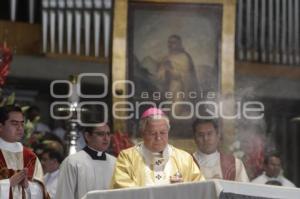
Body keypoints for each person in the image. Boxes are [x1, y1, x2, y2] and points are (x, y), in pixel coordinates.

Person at [111, 107, 205, 188]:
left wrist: (182, 187)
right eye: (152, 133)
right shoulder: (127, 158)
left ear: (168, 132)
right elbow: (122, 190)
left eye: (162, 133)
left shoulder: (184, 158)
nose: (158, 138)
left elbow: (200, 188)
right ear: (143, 134)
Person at [55, 123, 116, 199]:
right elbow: (64, 194)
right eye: (100, 134)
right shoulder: (72, 162)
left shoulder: (115, 162)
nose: (106, 138)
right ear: (87, 136)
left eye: (108, 134)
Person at [0, 104, 48, 198]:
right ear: (1, 126)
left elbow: (41, 191)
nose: (20, 128)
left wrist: (27, 186)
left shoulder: (30, 157)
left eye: (22, 123)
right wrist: (8, 183)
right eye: (14, 124)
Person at [157, 35, 198, 115]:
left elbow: (185, 75)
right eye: (169, 42)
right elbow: (159, 76)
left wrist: (170, 69)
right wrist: (164, 70)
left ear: (179, 44)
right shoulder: (166, 58)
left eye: (173, 42)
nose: (170, 45)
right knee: (166, 112)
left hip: (180, 88)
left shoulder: (184, 57)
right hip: (167, 89)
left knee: (176, 112)